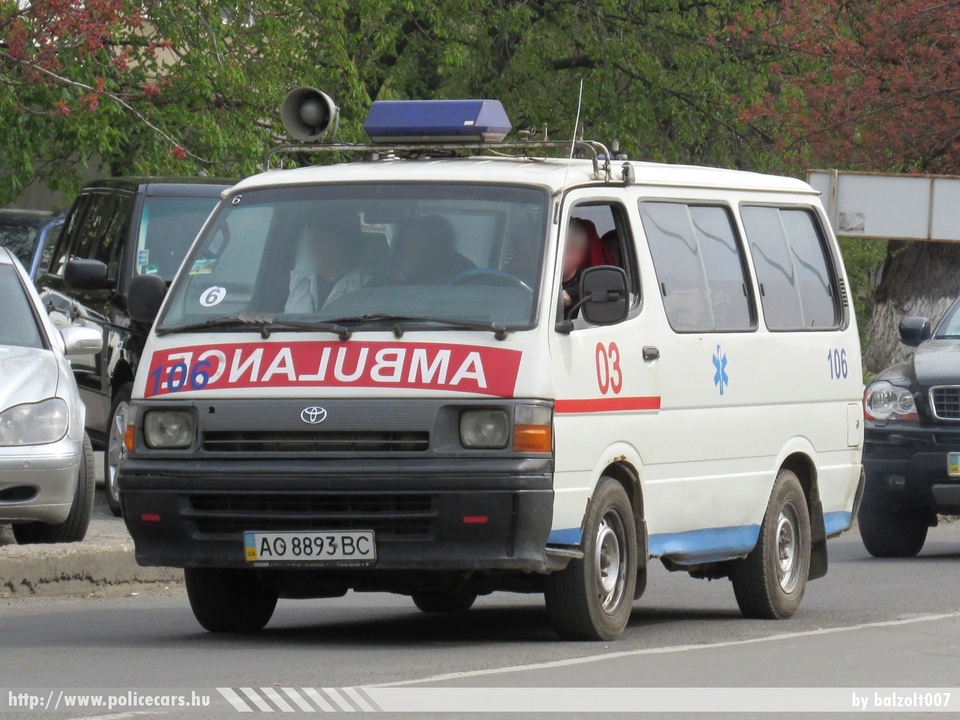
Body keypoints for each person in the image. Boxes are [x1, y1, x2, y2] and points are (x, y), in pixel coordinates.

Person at [284, 221, 364, 313]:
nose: (313, 241)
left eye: (321, 236)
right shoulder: (297, 279)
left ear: (341, 242)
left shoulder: (364, 285)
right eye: (311, 234)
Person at [393, 215, 474, 284]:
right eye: (408, 246)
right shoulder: (393, 275)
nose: (411, 252)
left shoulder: (466, 275)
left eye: (418, 245)